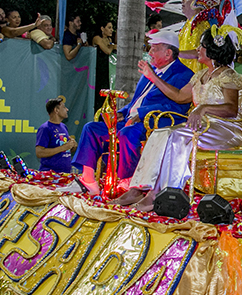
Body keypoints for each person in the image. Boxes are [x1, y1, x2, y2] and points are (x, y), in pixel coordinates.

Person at [114, 28, 242, 209]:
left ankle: (166, 193)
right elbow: (177, 96)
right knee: (160, 132)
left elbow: (232, 109)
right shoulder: (200, 75)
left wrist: (203, 108)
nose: (197, 49)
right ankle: (138, 189)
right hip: (202, 127)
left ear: (213, 50)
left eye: (202, 46)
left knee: (177, 136)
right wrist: (152, 77)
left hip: (226, 128)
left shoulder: (227, 75)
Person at [72, 29, 193, 192]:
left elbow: (177, 106)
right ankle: (88, 180)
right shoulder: (152, 71)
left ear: (168, 53)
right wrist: (122, 112)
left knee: (128, 133)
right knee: (91, 128)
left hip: (155, 122)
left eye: (154, 48)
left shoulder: (184, 74)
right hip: (133, 119)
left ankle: (128, 181)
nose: (149, 52)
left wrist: (141, 114)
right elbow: (138, 101)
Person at [35, 96, 77, 173]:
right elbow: (39, 152)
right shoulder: (45, 128)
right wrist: (64, 147)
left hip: (65, 174)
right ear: (56, 110)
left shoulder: (64, 126)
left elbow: (65, 152)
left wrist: (73, 146)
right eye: (64, 107)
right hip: (50, 175)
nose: (67, 109)